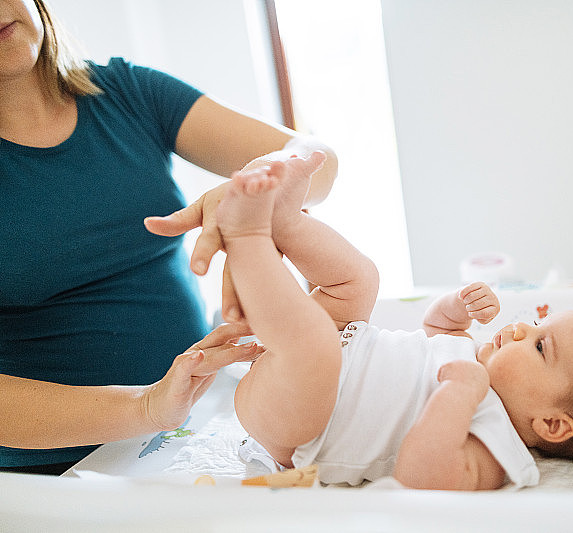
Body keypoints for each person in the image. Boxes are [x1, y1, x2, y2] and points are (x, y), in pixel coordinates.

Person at [0, 0, 336, 474]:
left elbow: (315, 157)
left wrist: (263, 183)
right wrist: (145, 407)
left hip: (195, 426)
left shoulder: (126, 93)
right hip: (57, 471)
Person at [215, 153, 573, 490]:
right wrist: (456, 309)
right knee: (360, 280)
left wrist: (460, 393)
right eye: (536, 326)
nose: (522, 330)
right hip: (341, 347)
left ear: (552, 424)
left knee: (312, 345)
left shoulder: (495, 446)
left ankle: (247, 236)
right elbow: (432, 333)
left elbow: (420, 474)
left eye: (541, 347)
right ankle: (286, 222)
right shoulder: (473, 357)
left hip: (299, 424)